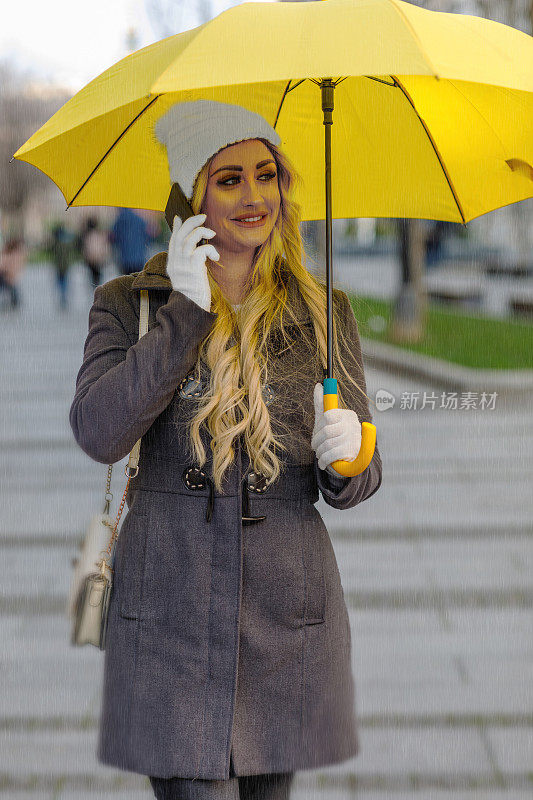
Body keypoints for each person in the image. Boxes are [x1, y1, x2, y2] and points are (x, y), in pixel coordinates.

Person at [69, 100, 382, 800]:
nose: (254, 197)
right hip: (169, 615)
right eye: (229, 178)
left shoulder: (321, 311)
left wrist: (352, 456)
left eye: (266, 176)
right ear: (193, 195)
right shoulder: (129, 303)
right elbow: (98, 431)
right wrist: (184, 312)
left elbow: (359, 479)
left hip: (286, 622)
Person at [110, 207, 155, 275]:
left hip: (125, 260)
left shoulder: (119, 221)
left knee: (126, 282)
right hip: (139, 258)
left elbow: (113, 238)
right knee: (138, 281)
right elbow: (148, 237)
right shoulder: (139, 219)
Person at [78, 216, 110, 289]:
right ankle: (97, 288)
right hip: (98, 259)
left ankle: (95, 288)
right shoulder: (99, 234)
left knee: (93, 276)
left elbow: (85, 248)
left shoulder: (86, 235)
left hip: (91, 260)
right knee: (97, 275)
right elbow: (104, 247)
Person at [0, 237, 26, 310]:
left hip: (8, 275)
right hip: (6, 275)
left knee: (11, 289)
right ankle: (15, 302)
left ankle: (15, 302)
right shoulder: (12, 254)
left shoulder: (14, 254)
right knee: (11, 289)